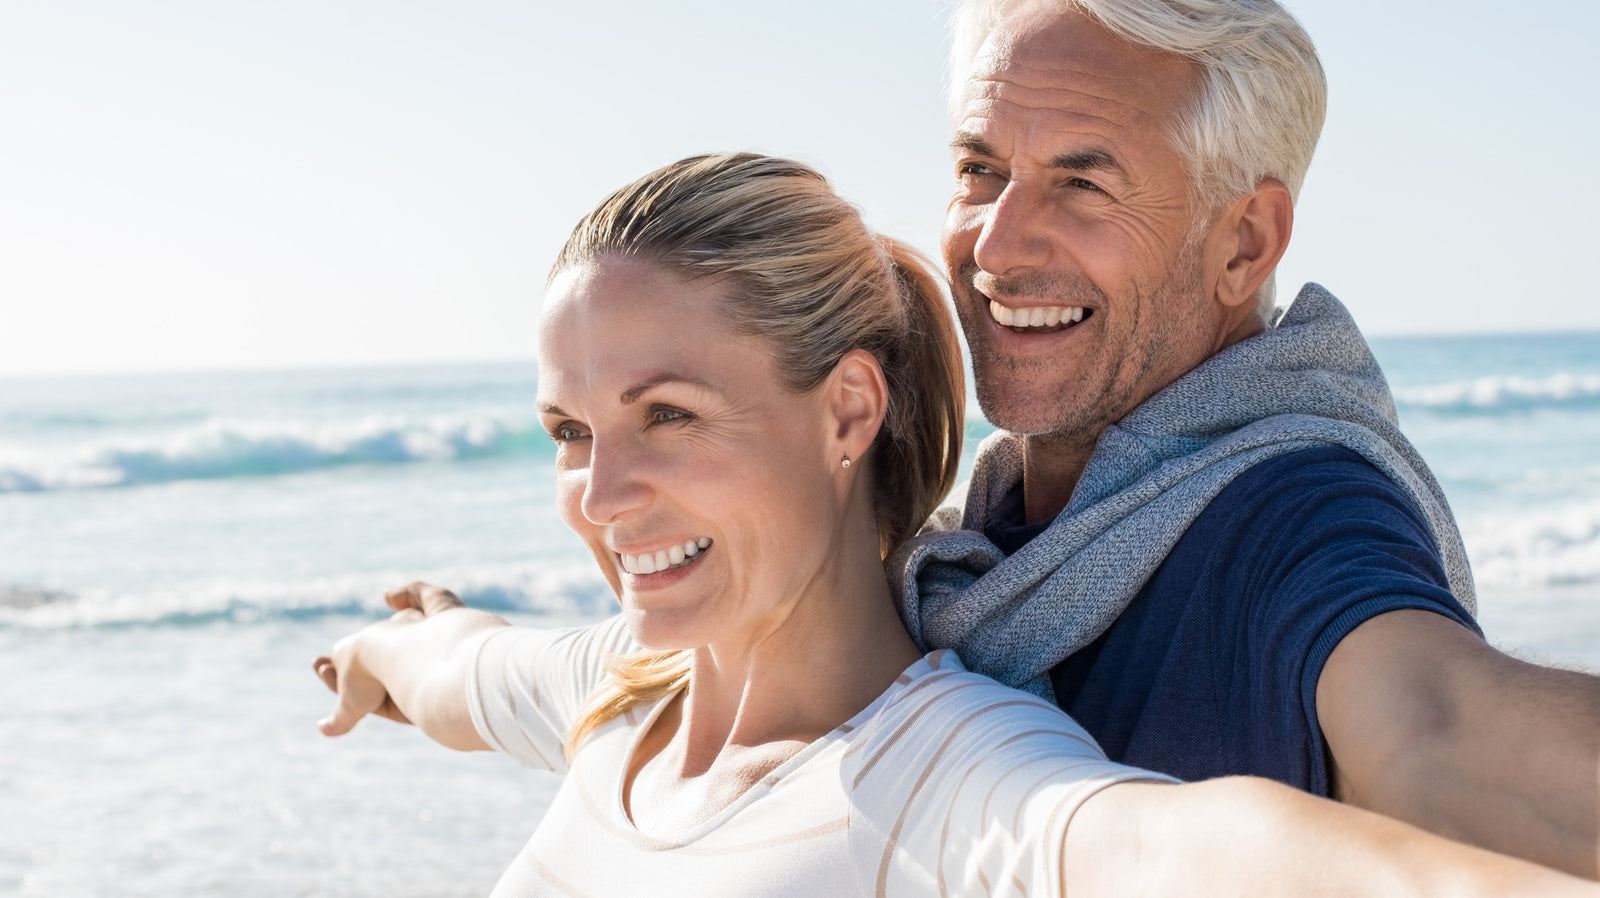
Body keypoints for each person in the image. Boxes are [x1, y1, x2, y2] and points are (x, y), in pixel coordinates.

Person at [316, 153, 1594, 895]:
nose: (599, 496)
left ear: (846, 410)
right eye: (569, 432)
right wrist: (385, 650)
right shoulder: (620, 684)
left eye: (670, 416)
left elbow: (1207, 849)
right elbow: (461, 671)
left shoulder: (949, 774)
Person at [893, 0, 1600, 879]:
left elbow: (1437, 726)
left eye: (1083, 183)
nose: (996, 244)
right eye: (981, 169)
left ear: (1244, 242)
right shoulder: (967, 544)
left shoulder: (1297, 513)